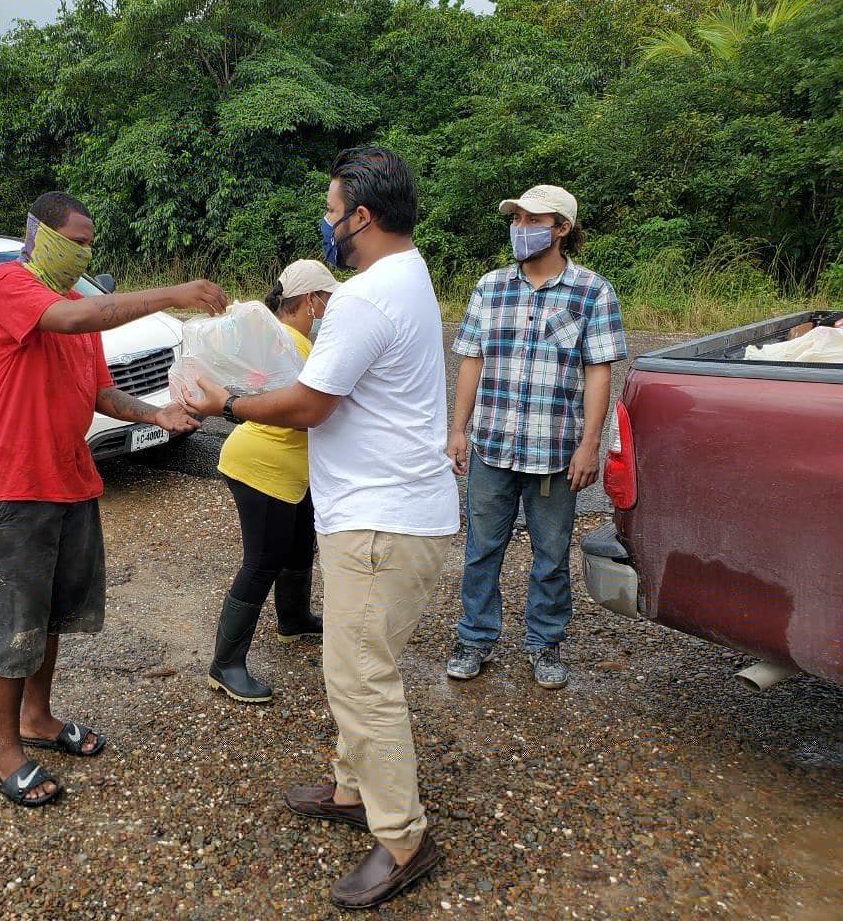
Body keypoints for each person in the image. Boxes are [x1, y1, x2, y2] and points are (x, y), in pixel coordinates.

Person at [180, 146, 459, 910]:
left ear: (360, 217)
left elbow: (309, 403)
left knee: (362, 678)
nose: (326, 223)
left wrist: (224, 405)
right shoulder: (411, 272)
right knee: (353, 662)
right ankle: (350, 787)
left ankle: (403, 837)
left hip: (380, 522)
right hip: (393, 517)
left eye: (332, 211)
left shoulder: (364, 299)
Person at [0, 191, 227, 808]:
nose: (84, 251)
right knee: (12, 617)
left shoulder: (79, 305)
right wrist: (174, 293)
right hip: (12, 483)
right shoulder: (8, 287)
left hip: (69, 479)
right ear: (41, 236)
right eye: (75, 241)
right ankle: (5, 747)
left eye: (90, 243)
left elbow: (100, 395)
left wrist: (159, 415)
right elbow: (79, 321)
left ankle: (39, 717)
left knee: (53, 612)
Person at [445, 185, 627, 689]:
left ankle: (544, 644)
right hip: (493, 446)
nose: (520, 229)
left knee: (551, 555)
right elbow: (472, 361)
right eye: (517, 219)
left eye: (532, 220)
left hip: (555, 452)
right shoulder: (491, 286)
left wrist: (590, 443)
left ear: (562, 228)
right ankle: (474, 638)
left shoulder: (592, 291)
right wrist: (458, 429)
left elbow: (598, 371)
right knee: (482, 548)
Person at [208, 259, 341, 703]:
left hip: (286, 469)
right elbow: (302, 413)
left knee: (301, 543)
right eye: (328, 300)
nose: (330, 309)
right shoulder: (292, 346)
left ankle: (294, 618)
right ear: (309, 302)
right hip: (263, 468)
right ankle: (225, 664)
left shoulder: (286, 338)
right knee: (262, 561)